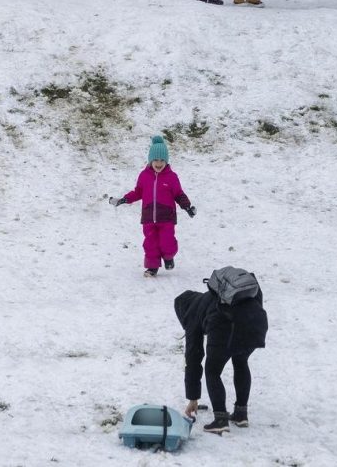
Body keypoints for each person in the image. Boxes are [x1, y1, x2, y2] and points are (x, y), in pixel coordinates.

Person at [174, 276, 269, 435]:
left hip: (224, 324)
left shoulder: (192, 313)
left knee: (212, 370)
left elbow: (193, 358)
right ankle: (240, 414)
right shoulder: (218, 297)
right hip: (255, 321)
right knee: (241, 361)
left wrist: (193, 398)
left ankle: (220, 420)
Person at [108, 135, 195, 277]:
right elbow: (137, 192)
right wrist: (124, 199)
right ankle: (152, 267)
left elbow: (179, 194)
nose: (159, 163)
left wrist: (187, 207)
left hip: (167, 217)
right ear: (150, 160)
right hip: (148, 217)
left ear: (166, 161)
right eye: (156, 160)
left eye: (162, 160)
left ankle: (168, 257)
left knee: (167, 241)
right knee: (150, 244)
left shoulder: (171, 177)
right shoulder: (144, 176)